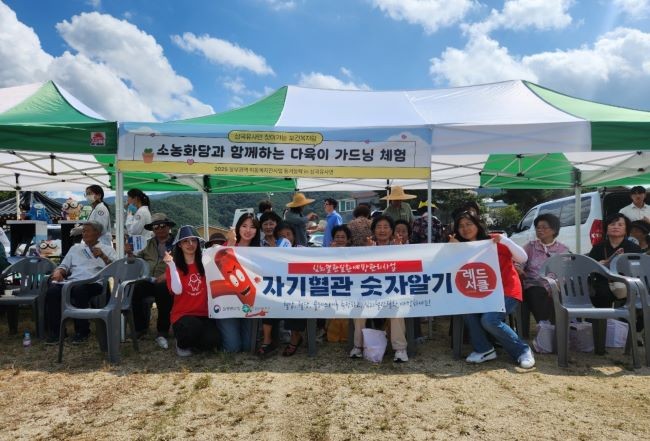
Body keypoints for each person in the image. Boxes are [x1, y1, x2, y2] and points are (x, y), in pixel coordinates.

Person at [450, 211, 535, 369]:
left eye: (469, 224)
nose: (465, 228)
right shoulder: (459, 246)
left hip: (507, 291)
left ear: (477, 225)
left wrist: (506, 241)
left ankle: (522, 350)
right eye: (461, 226)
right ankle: (484, 349)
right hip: (480, 293)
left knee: (489, 320)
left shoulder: (494, 240)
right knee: (466, 309)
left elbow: (523, 258)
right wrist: (452, 249)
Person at [44, 222, 116, 344]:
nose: (84, 233)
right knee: (52, 291)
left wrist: (103, 257)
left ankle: (82, 331)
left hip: (94, 283)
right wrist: (59, 272)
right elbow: (64, 266)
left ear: (97, 233)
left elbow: (115, 269)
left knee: (80, 290)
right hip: (72, 282)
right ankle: (57, 332)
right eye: (83, 231)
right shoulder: (75, 248)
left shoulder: (107, 249)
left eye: (87, 231)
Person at [350, 215, 409, 362]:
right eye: (379, 227)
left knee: (397, 310)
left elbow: (406, 270)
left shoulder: (399, 247)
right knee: (358, 310)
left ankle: (400, 349)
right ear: (373, 230)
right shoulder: (367, 247)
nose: (382, 230)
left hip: (392, 293)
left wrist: (400, 250)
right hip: (371, 292)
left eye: (386, 227)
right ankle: (358, 346)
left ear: (392, 230)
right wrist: (368, 253)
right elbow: (361, 273)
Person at [164, 225, 218, 356]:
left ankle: (194, 343)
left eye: (193, 240)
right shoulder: (174, 267)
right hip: (183, 316)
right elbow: (177, 290)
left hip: (204, 314)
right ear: (179, 245)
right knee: (192, 327)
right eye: (185, 241)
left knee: (213, 341)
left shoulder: (205, 263)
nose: (190, 244)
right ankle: (181, 344)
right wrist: (171, 265)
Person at [127, 213, 176, 349]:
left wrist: (168, 274)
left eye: (162, 226)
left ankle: (163, 330)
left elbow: (181, 263)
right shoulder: (148, 243)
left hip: (170, 280)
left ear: (168, 227)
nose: (159, 229)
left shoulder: (177, 244)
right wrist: (130, 253)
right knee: (134, 289)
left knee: (163, 290)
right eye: (156, 227)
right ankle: (140, 327)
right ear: (152, 230)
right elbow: (136, 260)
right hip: (149, 279)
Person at [216, 212, 257, 352]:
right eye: (244, 226)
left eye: (252, 227)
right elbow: (217, 266)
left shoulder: (260, 251)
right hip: (227, 303)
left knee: (248, 346)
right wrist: (231, 244)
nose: (248, 230)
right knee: (233, 348)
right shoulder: (227, 245)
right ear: (238, 228)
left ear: (257, 230)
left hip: (249, 304)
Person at [518, 213, 569, 324]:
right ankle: (545, 327)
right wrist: (518, 268)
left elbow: (566, 270)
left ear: (554, 230)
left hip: (556, 285)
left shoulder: (562, 249)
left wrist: (557, 283)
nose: (540, 230)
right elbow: (519, 262)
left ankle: (561, 327)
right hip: (534, 284)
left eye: (544, 227)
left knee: (563, 293)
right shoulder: (530, 246)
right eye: (538, 228)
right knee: (537, 293)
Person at [587, 213, 642, 308]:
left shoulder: (634, 248)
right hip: (603, 283)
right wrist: (598, 265)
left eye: (620, 225)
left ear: (626, 230)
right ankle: (604, 317)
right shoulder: (598, 248)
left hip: (627, 283)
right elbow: (589, 268)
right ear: (606, 228)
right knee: (601, 291)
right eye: (612, 224)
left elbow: (638, 269)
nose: (616, 227)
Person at [258, 211, 290, 356]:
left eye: (271, 223)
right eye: (265, 224)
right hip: (264, 284)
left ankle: (282, 336)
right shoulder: (258, 244)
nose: (268, 227)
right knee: (268, 300)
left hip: (286, 284)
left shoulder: (285, 242)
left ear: (277, 225)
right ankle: (267, 340)